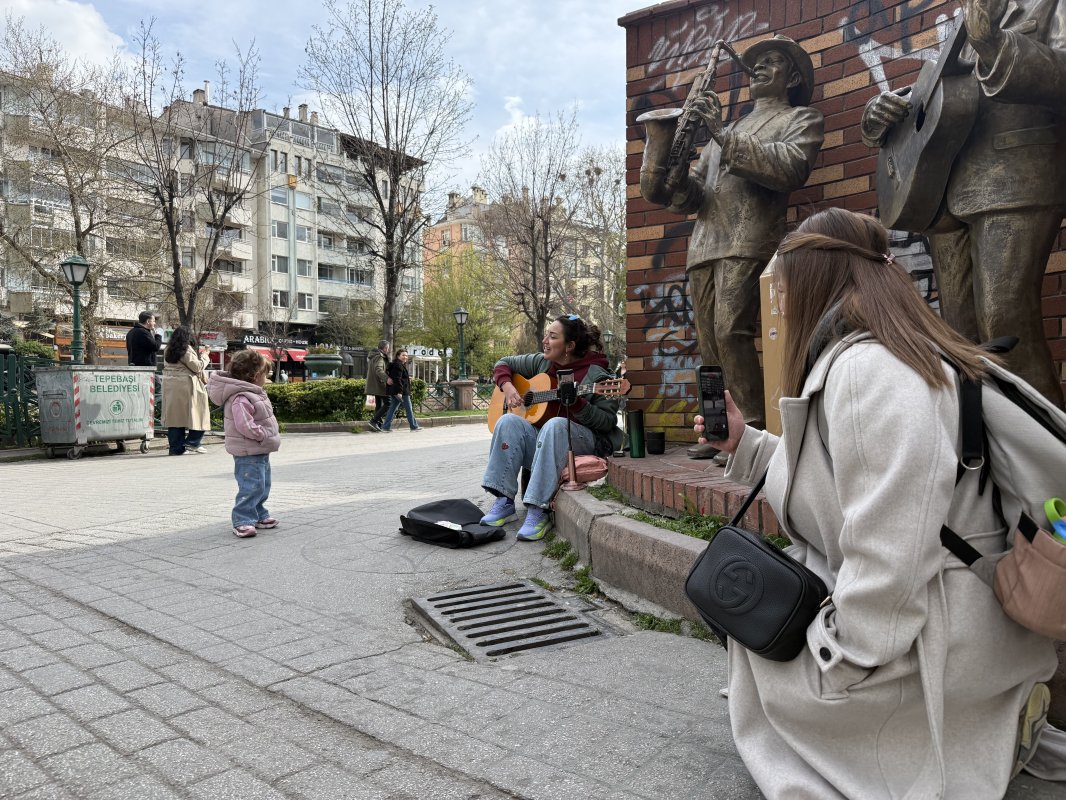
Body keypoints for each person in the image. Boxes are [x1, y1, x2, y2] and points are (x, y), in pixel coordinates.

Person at [693, 207, 1062, 798]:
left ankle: (991, 730)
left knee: (762, 644)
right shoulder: (883, 355)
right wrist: (746, 445)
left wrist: (838, 657)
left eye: (780, 287)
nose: (779, 305)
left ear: (812, 281)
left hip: (932, 641)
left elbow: (893, 556)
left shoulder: (870, 370)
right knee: (762, 628)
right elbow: (837, 483)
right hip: (944, 617)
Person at [860, 0, 1066, 406]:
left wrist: (994, 45)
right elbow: (949, 89)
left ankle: (1050, 454)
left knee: (1005, 319)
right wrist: (879, 113)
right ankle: (989, 448)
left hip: (1015, 173)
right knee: (959, 334)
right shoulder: (973, 10)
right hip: (947, 189)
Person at [637, 35, 824, 457]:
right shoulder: (731, 129)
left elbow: (790, 167)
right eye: (755, 62)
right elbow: (694, 197)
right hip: (705, 244)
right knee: (709, 342)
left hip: (749, 238)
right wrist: (676, 175)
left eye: (772, 61)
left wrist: (719, 132)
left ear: (791, 77)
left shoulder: (802, 118)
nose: (759, 67)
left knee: (731, 332)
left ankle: (752, 430)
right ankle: (719, 430)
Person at [480, 315, 623, 541]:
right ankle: (504, 501)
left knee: (555, 424)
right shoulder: (543, 362)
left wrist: (576, 403)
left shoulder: (599, 376)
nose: (545, 340)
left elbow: (606, 422)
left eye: (552, 337)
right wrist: (508, 388)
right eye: (546, 334)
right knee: (508, 421)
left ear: (569, 346)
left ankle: (538, 510)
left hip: (586, 443)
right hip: (548, 444)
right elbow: (502, 363)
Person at [207, 350, 281, 538]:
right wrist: (262, 435)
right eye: (266, 374)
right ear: (255, 376)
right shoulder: (241, 397)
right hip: (249, 449)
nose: (267, 378)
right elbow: (244, 424)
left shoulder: (252, 393)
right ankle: (242, 519)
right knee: (251, 486)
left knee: (263, 484)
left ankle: (258, 514)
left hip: (259, 448)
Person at [160, 325, 211, 456]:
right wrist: (205, 357)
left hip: (170, 385)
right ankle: (193, 442)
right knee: (200, 412)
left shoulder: (167, 349)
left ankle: (176, 449)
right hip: (186, 385)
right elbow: (197, 367)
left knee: (175, 418)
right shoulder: (185, 350)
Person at [380, 348, 421, 432]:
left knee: (392, 408)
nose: (405, 357)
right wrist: (400, 392)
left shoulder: (398, 364)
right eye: (403, 355)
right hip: (401, 392)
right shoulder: (398, 365)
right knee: (409, 408)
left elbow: (399, 378)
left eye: (406, 355)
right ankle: (414, 426)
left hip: (397, 391)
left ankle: (385, 427)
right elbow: (397, 379)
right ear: (398, 356)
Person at [365, 339, 391, 431]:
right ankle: (374, 421)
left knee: (378, 405)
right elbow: (378, 369)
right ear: (384, 348)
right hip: (379, 384)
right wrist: (387, 379)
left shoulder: (372, 356)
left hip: (373, 384)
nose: (388, 350)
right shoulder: (380, 357)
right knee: (389, 403)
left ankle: (378, 425)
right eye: (387, 348)